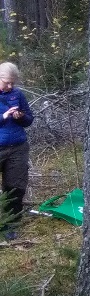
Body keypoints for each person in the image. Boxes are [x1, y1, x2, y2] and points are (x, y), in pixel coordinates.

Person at [0, 63, 34, 241]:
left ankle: (10, 225)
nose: (10, 86)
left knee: (15, 187)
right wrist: (3, 117)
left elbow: (29, 119)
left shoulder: (17, 94)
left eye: (13, 83)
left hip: (18, 147)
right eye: (7, 82)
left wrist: (21, 117)